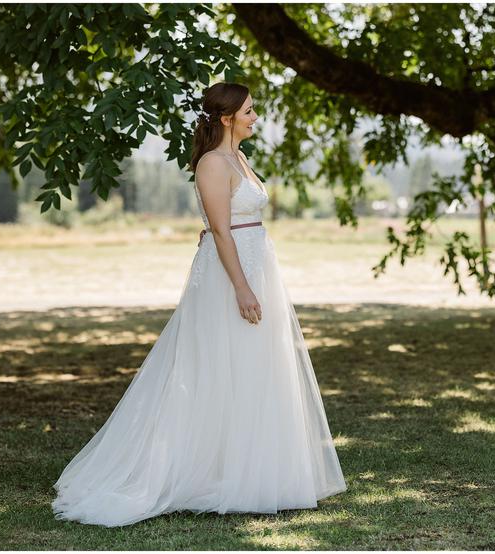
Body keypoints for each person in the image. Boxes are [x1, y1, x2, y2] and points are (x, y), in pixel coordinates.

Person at [52, 82, 347, 527]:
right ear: (226, 118)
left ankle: (255, 471)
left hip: (254, 263)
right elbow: (221, 230)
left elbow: (229, 224)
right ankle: (203, 472)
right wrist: (242, 287)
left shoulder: (239, 159)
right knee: (221, 365)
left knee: (256, 368)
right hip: (233, 275)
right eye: (248, 111)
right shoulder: (212, 163)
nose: (254, 117)